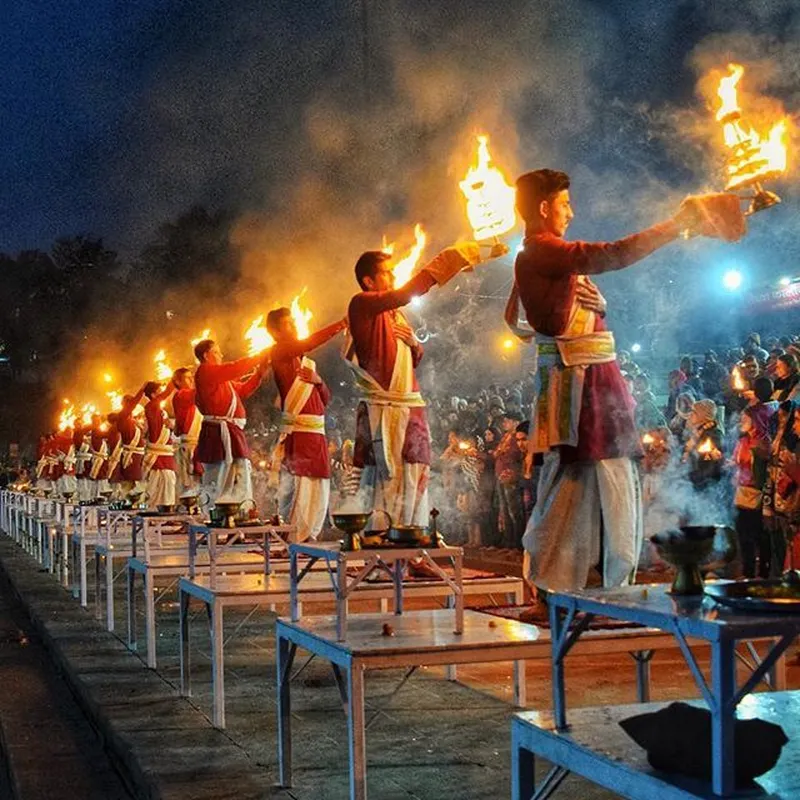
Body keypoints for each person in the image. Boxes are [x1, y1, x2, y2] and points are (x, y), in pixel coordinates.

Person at [505, 167, 745, 600]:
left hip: (588, 381)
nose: (570, 212)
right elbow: (614, 254)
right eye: (564, 204)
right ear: (544, 208)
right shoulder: (542, 249)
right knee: (592, 483)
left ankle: (578, 584)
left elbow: (572, 314)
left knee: (582, 484)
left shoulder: (542, 255)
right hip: (583, 385)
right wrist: (677, 224)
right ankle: (595, 586)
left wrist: (603, 308)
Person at [344, 242, 479, 530]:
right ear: (369, 281)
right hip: (385, 410)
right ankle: (383, 547)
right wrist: (451, 259)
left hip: (410, 406)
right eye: (387, 272)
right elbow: (405, 294)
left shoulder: (396, 316)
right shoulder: (361, 304)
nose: (393, 277)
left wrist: (413, 342)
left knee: (417, 472)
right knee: (388, 480)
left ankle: (412, 542)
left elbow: (410, 360)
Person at [266, 308, 347, 541]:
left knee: (318, 486)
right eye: (287, 323)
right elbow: (309, 342)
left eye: (293, 321)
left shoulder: (307, 364)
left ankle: (309, 535)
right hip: (299, 433)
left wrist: (318, 381)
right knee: (298, 488)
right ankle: (292, 538)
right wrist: (340, 323)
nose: (293, 325)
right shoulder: (280, 351)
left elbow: (325, 399)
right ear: (276, 331)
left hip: (317, 433)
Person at [194, 339, 271, 510]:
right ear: (206, 355)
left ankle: (240, 512)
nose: (221, 355)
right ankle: (213, 515)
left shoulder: (222, 381)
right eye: (216, 351)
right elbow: (234, 368)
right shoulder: (205, 371)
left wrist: (259, 373)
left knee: (239, 475)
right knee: (216, 477)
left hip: (231, 432)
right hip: (217, 433)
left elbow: (243, 390)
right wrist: (258, 357)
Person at [732, 404, 775, 578]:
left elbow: (764, 474)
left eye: (746, 418)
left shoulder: (764, 444)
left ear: (756, 421)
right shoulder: (743, 441)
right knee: (744, 535)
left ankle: (763, 574)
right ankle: (748, 573)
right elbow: (737, 462)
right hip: (742, 494)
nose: (741, 421)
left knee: (760, 536)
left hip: (758, 496)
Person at [142, 381, 178, 509]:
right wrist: (174, 380)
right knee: (156, 484)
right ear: (152, 395)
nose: (162, 393)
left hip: (165, 450)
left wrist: (171, 425)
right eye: (159, 391)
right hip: (158, 452)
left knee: (169, 482)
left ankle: (167, 509)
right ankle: (154, 510)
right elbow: (167, 392)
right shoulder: (151, 407)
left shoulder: (160, 410)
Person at [493, 410, 525, 548]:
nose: (504, 423)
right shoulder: (506, 436)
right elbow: (497, 453)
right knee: (505, 511)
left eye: (507, 420)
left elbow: (515, 456)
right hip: (501, 476)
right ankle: (509, 543)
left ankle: (517, 545)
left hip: (511, 477)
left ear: (516, 422)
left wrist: (501, 454)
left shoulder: (517, 438)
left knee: (514, 512)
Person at [172, 368, 203, 502]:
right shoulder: (181, 395)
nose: (191, 380)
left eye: (192, 377)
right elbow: (200, 392)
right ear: (178, 382)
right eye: (187, 378)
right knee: (188, 486)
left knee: (200, 486)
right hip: (188, 448)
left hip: (199, 445)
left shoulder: (193, 397)